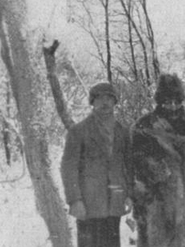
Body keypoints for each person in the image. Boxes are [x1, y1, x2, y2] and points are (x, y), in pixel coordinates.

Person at [130, 73, 185, 247]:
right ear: (160, 102)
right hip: (158, 198)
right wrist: (155, 169)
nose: (173, 107)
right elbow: (134, 159)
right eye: (167, 102)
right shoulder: (145, 125)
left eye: (176, 102)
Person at [61, 82, 132, 247]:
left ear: (115, 102)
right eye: (99, 98)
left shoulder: (123, 131)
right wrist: (75, 200)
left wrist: (128, 194)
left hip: (114, 202)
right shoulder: (78, 131)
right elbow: (69, 168)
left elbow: (128, 166)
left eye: (109, 98)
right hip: (88, 205)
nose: (105, 102)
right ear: (92, 102)